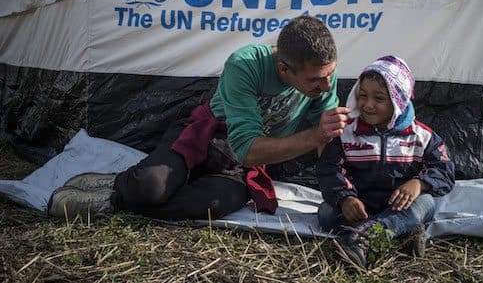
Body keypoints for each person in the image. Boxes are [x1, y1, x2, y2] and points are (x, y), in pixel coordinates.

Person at [48, 15, 350, 221]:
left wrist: (338, 193)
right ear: (283, 68)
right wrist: (314, 135)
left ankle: (114, 201)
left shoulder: (323, 75)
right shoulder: (246, 64)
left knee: (211, 204)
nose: (326, 86)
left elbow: (326, 138)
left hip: (240, 165)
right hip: (207, 137)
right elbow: (247, 147)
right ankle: (123, 184)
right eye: (315, 80)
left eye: (330, 75)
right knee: (153, 186)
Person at [316, 55, 454, 268]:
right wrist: (345, 198)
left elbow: (444, 170)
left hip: (401, 207)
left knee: (426, 204)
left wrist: (419, 183)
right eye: (363, 96)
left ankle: (364, 240)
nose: (368, 105)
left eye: (379, 98)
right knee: (326, 213)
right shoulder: (346, 134)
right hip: (362, 207)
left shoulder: (422, 136)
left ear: (399, 101)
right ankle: (401, 233)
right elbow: (328, 169)